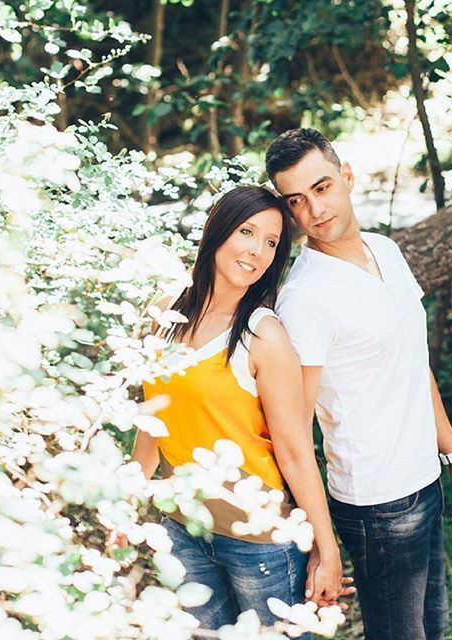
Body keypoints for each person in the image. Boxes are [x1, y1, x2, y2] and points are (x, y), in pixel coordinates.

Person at [265, 128, 452, 640]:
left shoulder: (386, 250)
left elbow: (414, 361)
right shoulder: (306, 297)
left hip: (423, 480)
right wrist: (323, 540)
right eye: (296, 200)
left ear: (346, 176)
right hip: (377, 504)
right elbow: (294, 436)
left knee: (434, 627)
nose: (314, 210)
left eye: (322, 188)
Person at [130, 186, 351, 634]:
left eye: (271, 243)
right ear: (218, 231)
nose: (257, 250)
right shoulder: (163, 312)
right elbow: (152, 417)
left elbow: (293, 451)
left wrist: (325, 548)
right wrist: (126, 503)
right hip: (182, 528)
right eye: (247, 232)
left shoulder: (263, 336)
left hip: (262, 544)